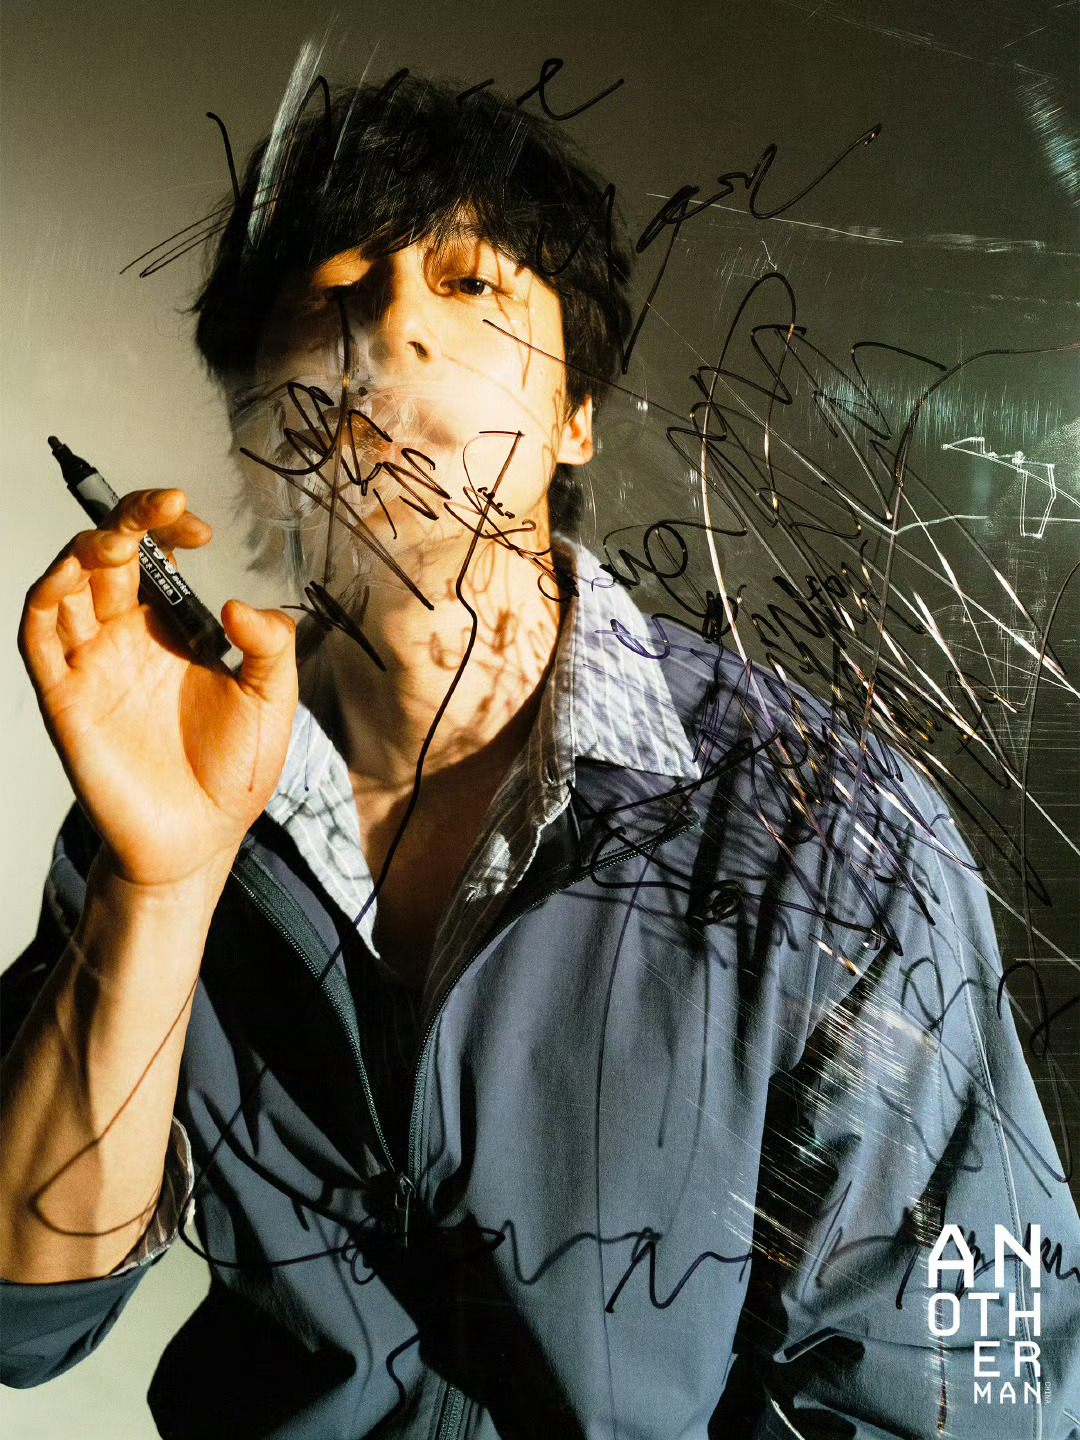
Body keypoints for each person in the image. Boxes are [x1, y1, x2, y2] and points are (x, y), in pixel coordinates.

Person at [2, 72, 1078, 1440]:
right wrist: (158, 885)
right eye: (336, 289)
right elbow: (23, 1316)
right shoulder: (175, 778)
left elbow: (983, 1390)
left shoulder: (832, 829)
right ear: (254, 415)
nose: (393, 328)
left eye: (472, 285)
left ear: (577, 414)